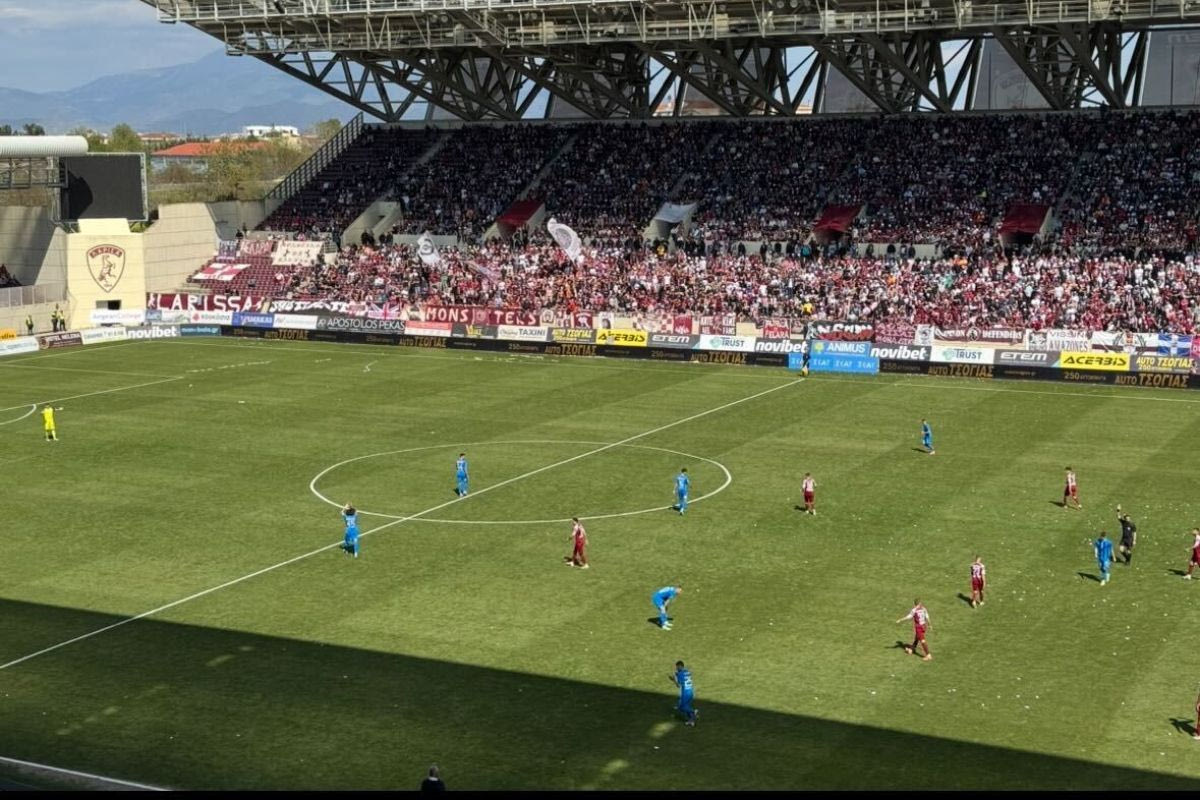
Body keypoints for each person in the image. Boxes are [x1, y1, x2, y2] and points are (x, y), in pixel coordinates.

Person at [670, 660, 698, 726]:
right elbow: (684, 676)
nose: (676, 668)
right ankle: (691, 720)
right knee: (686, 706)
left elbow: (678, 686)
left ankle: (693, 712)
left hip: (685, 693)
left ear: (680, 666)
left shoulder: (680, 674)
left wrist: (673, 680)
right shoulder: (687, 671)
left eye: (677, 667)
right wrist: (677, 674)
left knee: (682, 707)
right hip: (691, 692)